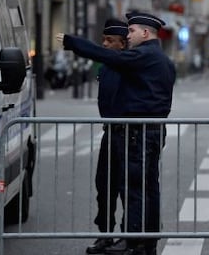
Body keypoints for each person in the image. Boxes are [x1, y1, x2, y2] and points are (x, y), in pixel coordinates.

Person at [56, 11, 176, 255]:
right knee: (144, 188)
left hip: (137, 133)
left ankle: (134, 241)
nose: (127, 34)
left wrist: (73, 42)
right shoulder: (157, 57)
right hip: (137, 131)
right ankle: (143, 241)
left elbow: (105, 56)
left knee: (135, 188)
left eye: (131, 31)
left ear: (145, 33)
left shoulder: (146, 55)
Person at [84, 18, 130, 254]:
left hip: (127, 135)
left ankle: (128, 237)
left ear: (122, 44)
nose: (103, 44)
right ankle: (105, 234)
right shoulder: (106, 67)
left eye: (109, 40)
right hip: (109, 133)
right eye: (103, 39)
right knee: (104, 186)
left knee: (127, 188)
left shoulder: (129, 66)